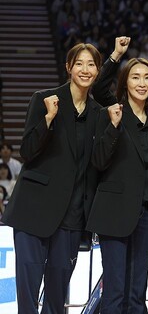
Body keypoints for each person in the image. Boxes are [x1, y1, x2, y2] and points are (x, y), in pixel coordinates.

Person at [3, 43, 102, 313]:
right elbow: (27, 151)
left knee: (57, 297)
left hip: (71, 217)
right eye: (79, 63)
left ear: (98, 70)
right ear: (68, 67)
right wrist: (48, 119)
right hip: (34, 211)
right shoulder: (45, 99)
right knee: (28, 294)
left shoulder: (99, 114)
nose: (85, 69)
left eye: (91, 64)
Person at [91, 37, 148, 312]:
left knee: (137, 293)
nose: (143, 83)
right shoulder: (112, 113)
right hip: (114, 213)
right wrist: (116, 55)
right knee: (114, 291)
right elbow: (99, 161)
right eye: (136, 77)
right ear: (125, 82)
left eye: (147, 78)